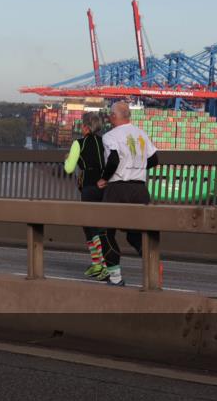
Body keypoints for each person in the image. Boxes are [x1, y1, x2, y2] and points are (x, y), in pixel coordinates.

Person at [97, 101, 160, 287]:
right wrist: (137, 167)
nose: (109, 118)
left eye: (110, 115)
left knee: (106, 232)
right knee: (136, 234)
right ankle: (152, 264)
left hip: (118, 189)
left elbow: (114, 160)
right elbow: (154, 159)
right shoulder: (141, 134)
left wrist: (103, 179)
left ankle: (115, 278)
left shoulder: (110, 136)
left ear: (115, 116)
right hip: (140, 190)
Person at [63, 112, 113, 279]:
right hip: (105, 186)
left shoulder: (79, 143)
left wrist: (68, 159)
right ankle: (97, 264)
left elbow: (69, 169)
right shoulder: (105, 142)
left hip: (89, 187)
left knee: (90, 226)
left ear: (85, 127)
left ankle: (102, 265)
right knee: (99, 226)